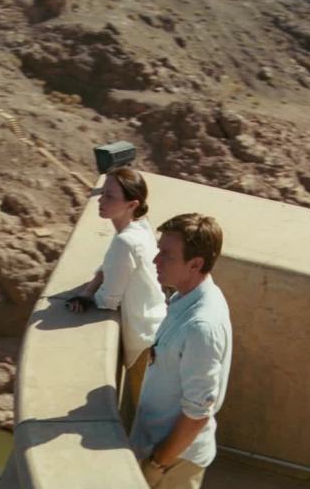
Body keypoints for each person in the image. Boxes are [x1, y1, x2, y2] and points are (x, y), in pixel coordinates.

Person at [130, 213, 232, 489]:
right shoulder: (186, 297)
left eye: (167, 255)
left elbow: (197, 413)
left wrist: (157, 464)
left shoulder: (201, 327)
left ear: (195, 264)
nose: (156, 260)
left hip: (173, 463)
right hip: (161, 451)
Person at [66, 167, 167, 408]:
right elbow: (110, 266)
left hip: (145, 343)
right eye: (102, 193)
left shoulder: (125, 241)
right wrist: (89, 289)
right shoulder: (139, 226)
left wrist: (87, 298)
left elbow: (109, 300)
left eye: (110, 196)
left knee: (146, 415)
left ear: (132, 204)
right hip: (158, 328)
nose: (100, 200)